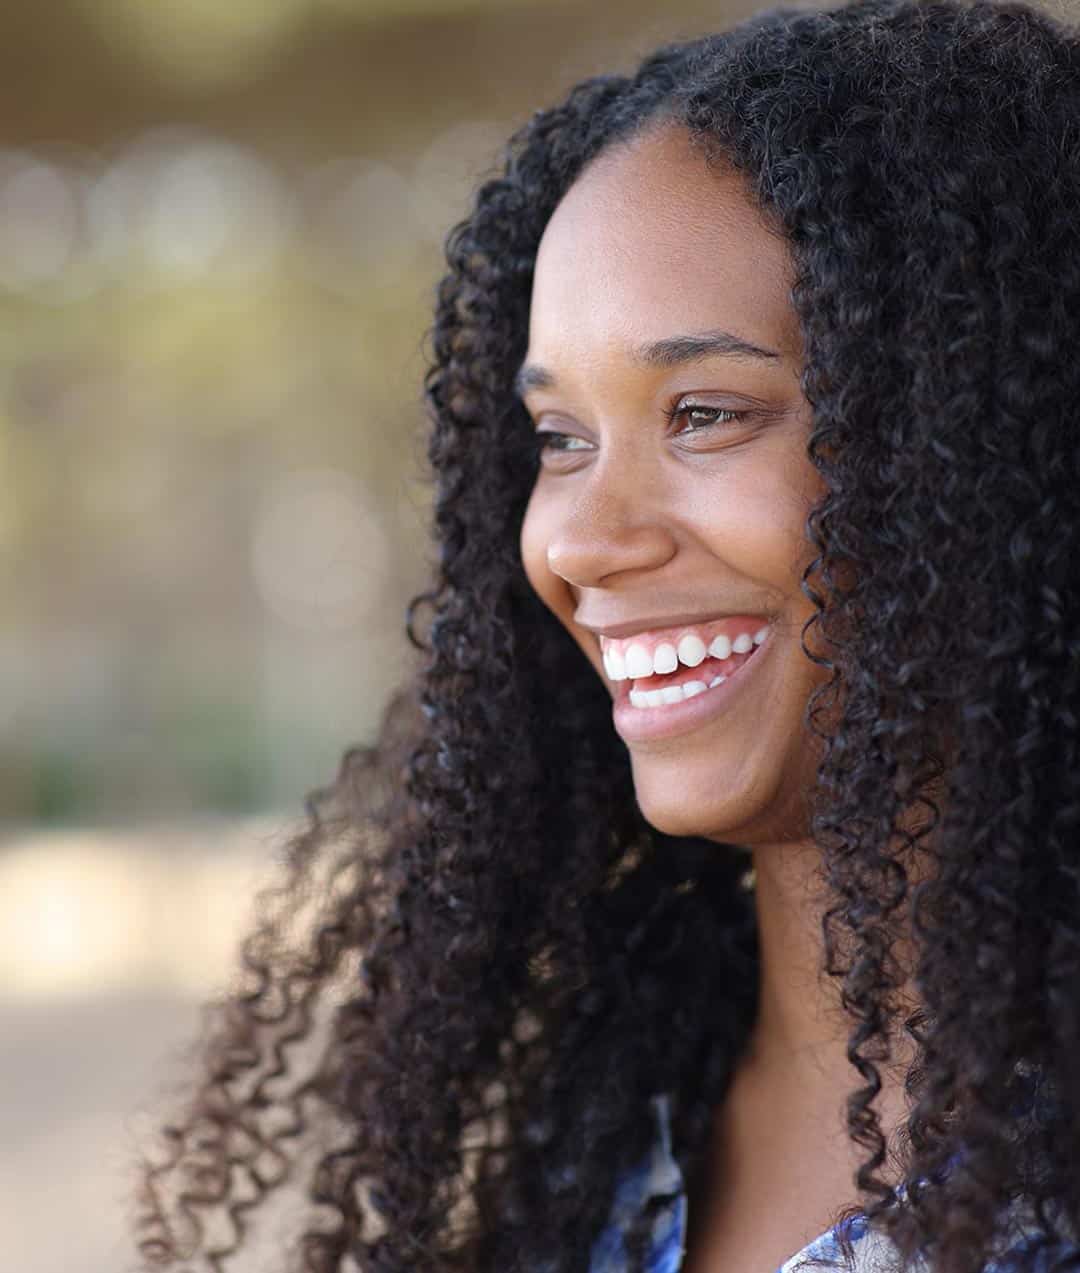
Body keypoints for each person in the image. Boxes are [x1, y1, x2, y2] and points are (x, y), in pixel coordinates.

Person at [134, 0, 1080, 1269]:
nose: (581, 541)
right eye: (561, 440)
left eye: (703, 412)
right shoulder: (591, 1155)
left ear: (998, 445)